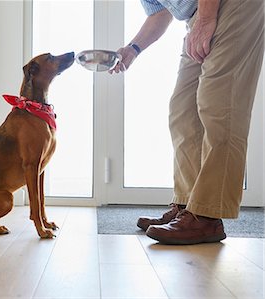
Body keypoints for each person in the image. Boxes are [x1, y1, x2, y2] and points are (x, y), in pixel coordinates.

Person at [111, 0, 264, 245]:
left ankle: (207, 216)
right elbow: (160, 13)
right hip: (201, 12)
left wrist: (205, 20)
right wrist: (133, 48)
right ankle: (188, 206)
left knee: (219, 103)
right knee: (182, 109)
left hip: (233, 5)